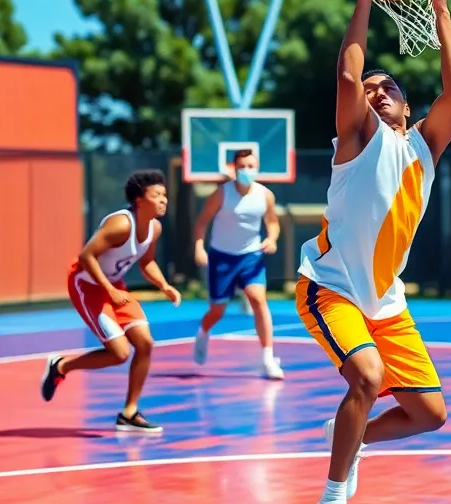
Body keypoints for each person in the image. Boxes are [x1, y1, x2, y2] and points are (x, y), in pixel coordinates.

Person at [298, 0, 451, 504]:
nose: (374, 90)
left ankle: (349, 433)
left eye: (386, 85)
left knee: (430, 414)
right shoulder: (356, 142)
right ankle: (333, 501)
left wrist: (440, 8)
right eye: (368, 88)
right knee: (366, 376)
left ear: (404, 103)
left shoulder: (422, 147)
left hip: (384, 299)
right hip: (331, 285)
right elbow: (347, 74)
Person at [41, 170, 181, 434]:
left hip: (114, 286)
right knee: (120, 353)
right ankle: (61, 366)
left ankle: (129, 413)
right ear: (140, 200)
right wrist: (108, 288)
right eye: (157, 195)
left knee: (145, 343)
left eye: (165, 195)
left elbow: (147, 261)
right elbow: (86, 256)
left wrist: (164, 285)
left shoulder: (154, 228)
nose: (163, 200)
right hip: (87, 284)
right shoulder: (121, 225)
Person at [191, 148, 283, 379]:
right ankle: (203, 333)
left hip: (250, 257)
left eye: (250, 166)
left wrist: (271, 239)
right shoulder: (221, 194)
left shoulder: (265, 195)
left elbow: (272, 223)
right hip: (222, 257)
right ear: (234, 168)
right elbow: (201, 223)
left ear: (257, 168)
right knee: (217, 310)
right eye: (241, 167)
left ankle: (267, 358)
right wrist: (198, 247)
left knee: (258, 300)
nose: (246, 171)